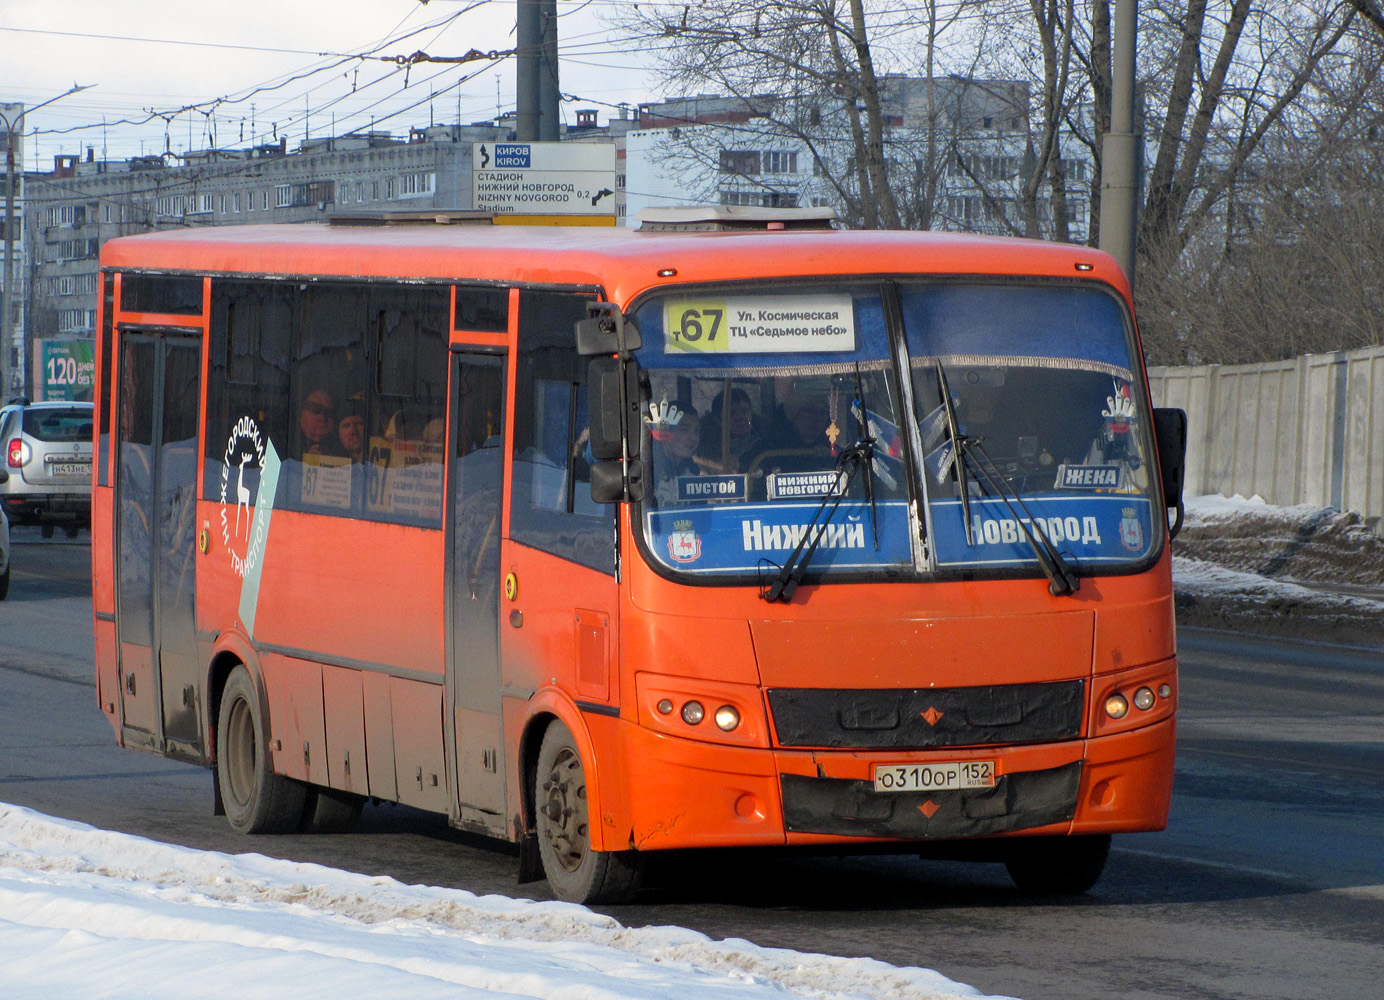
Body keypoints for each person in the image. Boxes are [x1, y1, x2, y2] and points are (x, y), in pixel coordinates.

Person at [696, 387, 764, 473]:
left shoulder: (763, 447)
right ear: (717, 419)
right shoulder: (706, 452)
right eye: (732, 412)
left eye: (744, 411)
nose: (740, 417)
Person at [651, 408, 702, 506]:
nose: (693, 438)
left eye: (696, 430)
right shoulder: (651, 470)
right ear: (665, 433)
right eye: (684, 430)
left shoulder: (694, 471)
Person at [299, 388, 337, 456]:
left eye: (329, 414)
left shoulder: (343, 449)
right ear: (302, 414)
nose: (322, 418)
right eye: (316, 411)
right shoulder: (289, 445)